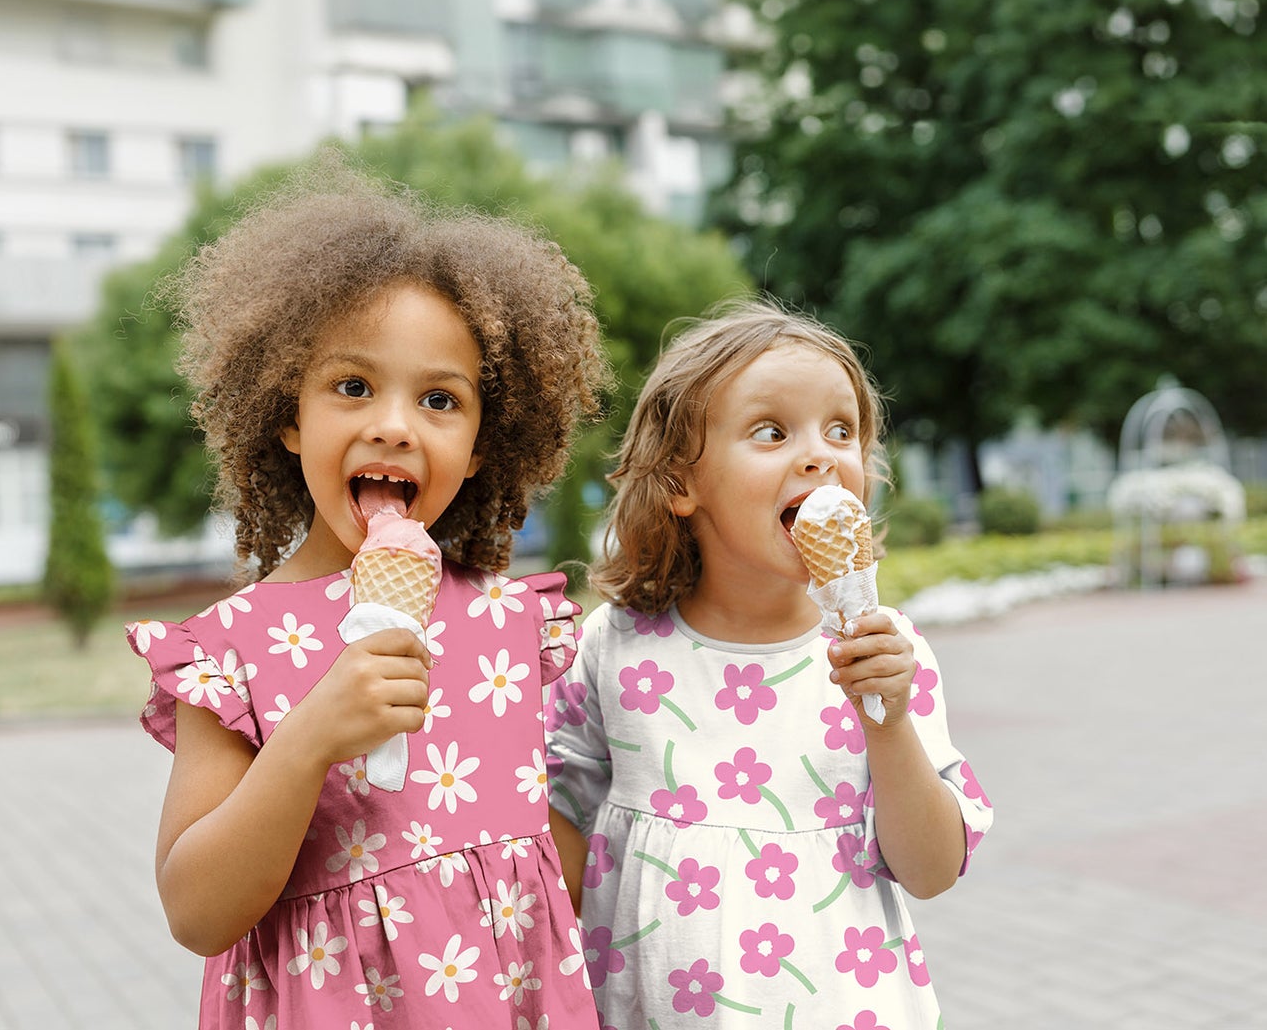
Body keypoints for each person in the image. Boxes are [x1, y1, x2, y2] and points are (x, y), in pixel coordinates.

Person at [127, 169, 609, 1029]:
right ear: (289, 415)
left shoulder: (517, 626)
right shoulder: (228, 653)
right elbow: (197, 912)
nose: (395, 424)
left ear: (476, 446)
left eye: (439, 399)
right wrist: (311, 736)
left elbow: (548, 870)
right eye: (352, 386)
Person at [545, 299, 992, 1030]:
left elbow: (931, 869)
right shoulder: (616, 645)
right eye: (770, 430)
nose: (819, 454)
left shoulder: (890, 654)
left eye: (841, 430)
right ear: (681, 481)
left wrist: (886, 720)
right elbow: (555, 835)